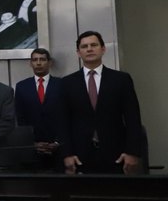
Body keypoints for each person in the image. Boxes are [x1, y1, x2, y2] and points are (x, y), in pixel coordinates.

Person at [58, 31, 145, 174]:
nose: (89, 49)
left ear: (103, 49)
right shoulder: (67, 83)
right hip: (80, 156)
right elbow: (63, 122)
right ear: (78, 52)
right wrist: (66, 154)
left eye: (94, 45)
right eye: (84, 46)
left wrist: (132, 152)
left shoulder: (121, 79)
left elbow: (133, 118)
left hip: (117, 154)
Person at [14, 48, 62, 170]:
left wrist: (57, 142)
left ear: (49, 63)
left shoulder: (62, 84)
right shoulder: (22, 86)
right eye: (35, 60)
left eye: (42, 59)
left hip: (59, 148)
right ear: (30, 63)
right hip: (32, 148)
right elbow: (20, 117)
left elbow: (66, 115)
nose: (39, 63)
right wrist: (31, 143)